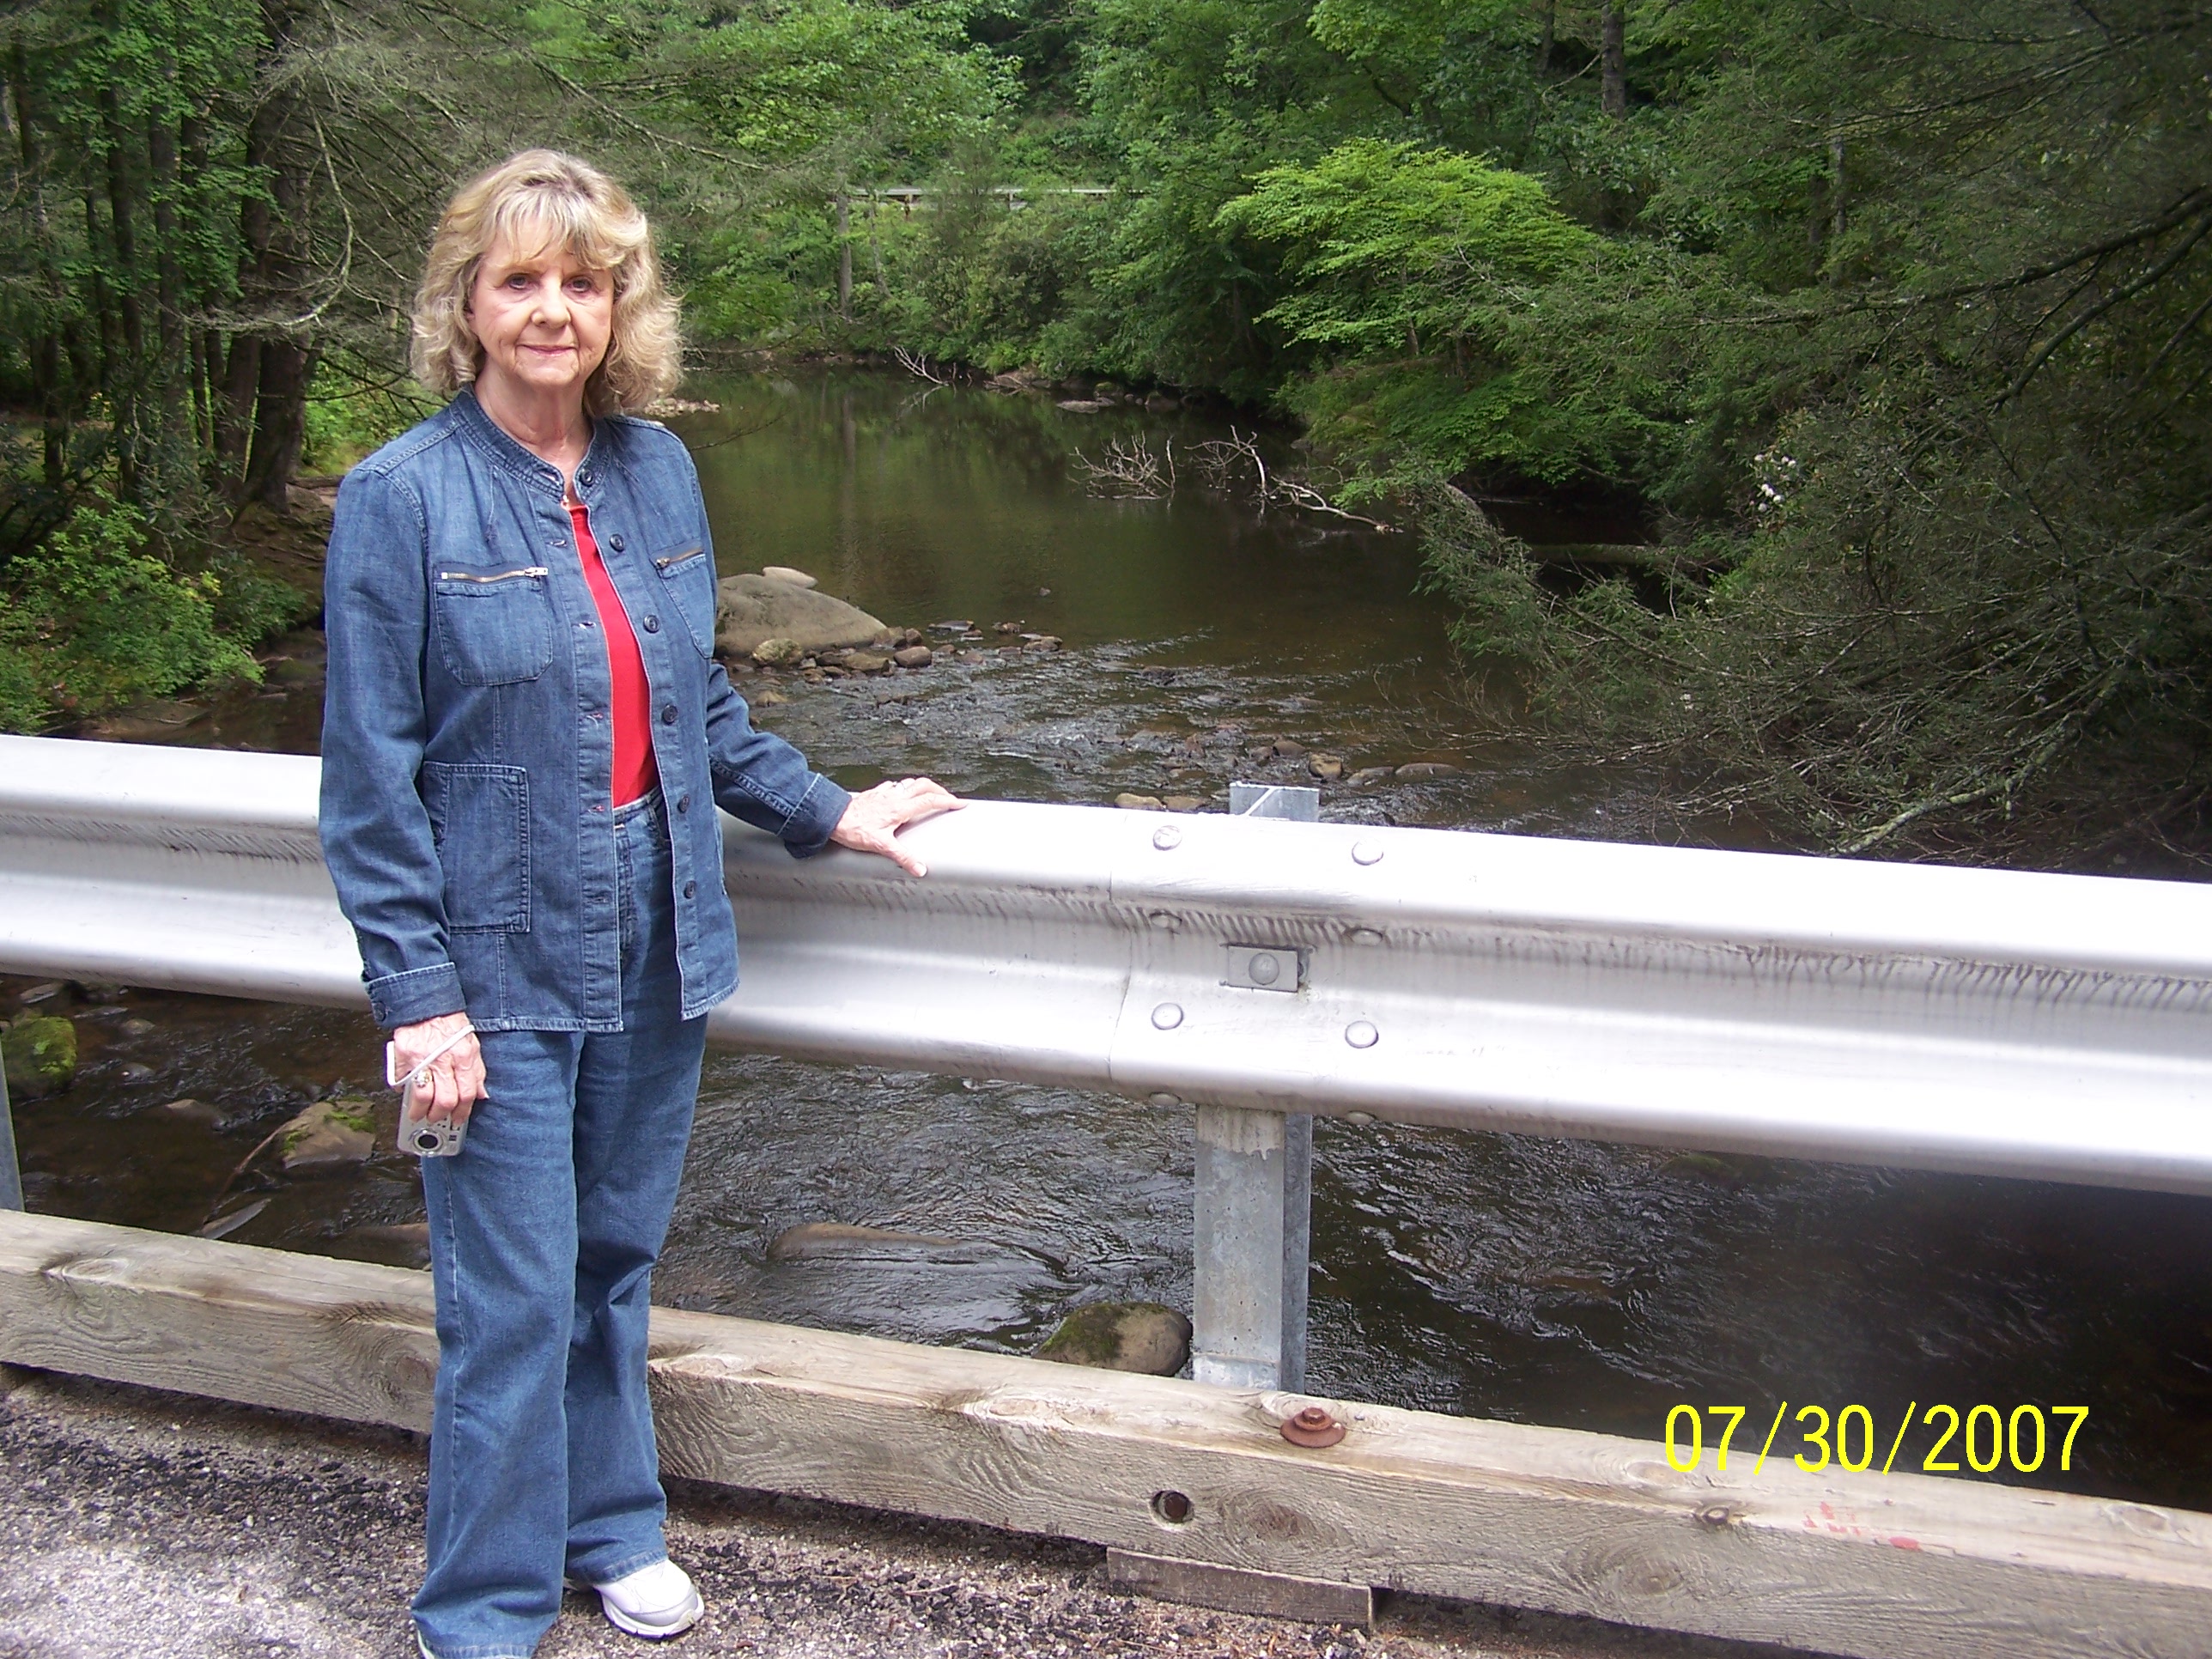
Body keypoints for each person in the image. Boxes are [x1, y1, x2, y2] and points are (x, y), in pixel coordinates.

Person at [318, 149, 961, 1659]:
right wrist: (420, 999)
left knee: (611, 1264)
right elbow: (369, 781)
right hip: (497, 952)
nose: (552, 309)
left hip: (660, 926)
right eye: (519, 280)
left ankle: (612, 1527)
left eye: (582, 281)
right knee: (509, 1297)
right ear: (467, 306)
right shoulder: (401, 498)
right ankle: (483, 1606)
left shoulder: (655, 470)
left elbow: (700, 705)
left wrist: (828, 807)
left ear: (620, 306)